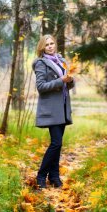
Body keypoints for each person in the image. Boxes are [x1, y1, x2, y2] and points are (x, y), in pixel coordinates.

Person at [32, 34, 74, 189]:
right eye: (47, 44)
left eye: (52, 43)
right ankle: (41, 176)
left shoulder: (61, 61)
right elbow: (41, 87)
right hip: (50, 109)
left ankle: (54, 177)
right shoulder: (40, 63)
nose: (50, 46)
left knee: (58, 144)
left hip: (62, 107)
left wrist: (70, 80)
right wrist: (61, 80)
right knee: (56, 143)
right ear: (42, 47)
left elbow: (67, 85)